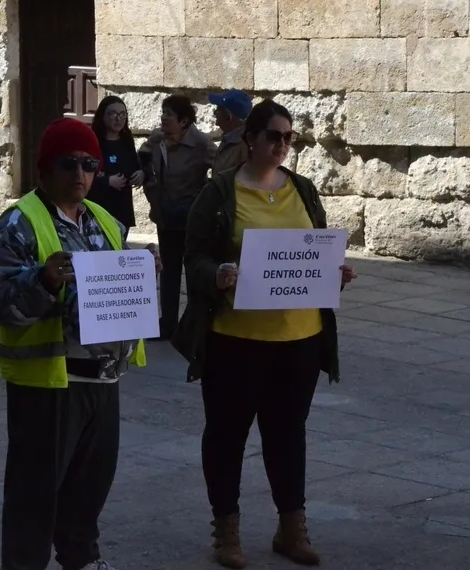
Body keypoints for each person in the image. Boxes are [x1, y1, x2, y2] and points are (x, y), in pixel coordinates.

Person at [173, 99, 357, 569]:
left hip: (300, 338)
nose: (282, 145)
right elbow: (193, 258)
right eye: (274, 136)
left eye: (288, 137)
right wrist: (216, 274)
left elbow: (313, 250)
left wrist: (332, 274)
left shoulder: (303, 189)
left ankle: (291, 527)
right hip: (236, 339)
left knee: (288, 434)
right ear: (250, 138)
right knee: (227, 435)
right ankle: (227, 530)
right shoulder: (219, 194)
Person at [0, 117, 160, 570]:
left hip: (103, 379)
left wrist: (142, 273)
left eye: (89, 164)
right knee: (35, 494)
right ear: (45, 169)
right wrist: (43, 280)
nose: (80, 173)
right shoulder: (20, 223)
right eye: (69, 163)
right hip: (49, 383)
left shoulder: (105, 220)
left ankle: (82, 559)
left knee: (90, 486)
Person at [138, 94, 217, 339]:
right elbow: (141, 159)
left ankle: (193, 326)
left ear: (183, 121)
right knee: (168, 272)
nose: (163, 118)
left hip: (192, 218)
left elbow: (222, 171)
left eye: (168, 114)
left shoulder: (201, 143)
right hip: (165, 215)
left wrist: (205, 200)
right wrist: (149, 186)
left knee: (193, 272)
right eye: (163, 112)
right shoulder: (157, 138)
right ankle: (168, 324)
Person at [88, 95, 143, 238]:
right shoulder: (92, 140)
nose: (119, 119)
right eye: (113, 114)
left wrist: (140, 173)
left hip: (122, 206)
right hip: (99, 206)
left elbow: (134, 164)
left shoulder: (127, 139)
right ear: (103, 116)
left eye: (122, 114)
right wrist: (107, 181)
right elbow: (85, 174)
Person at [208, 89, 252, 177]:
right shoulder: (229, 138)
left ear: (228, 117)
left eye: (218, 109)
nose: (215, 112)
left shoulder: (243, 146)